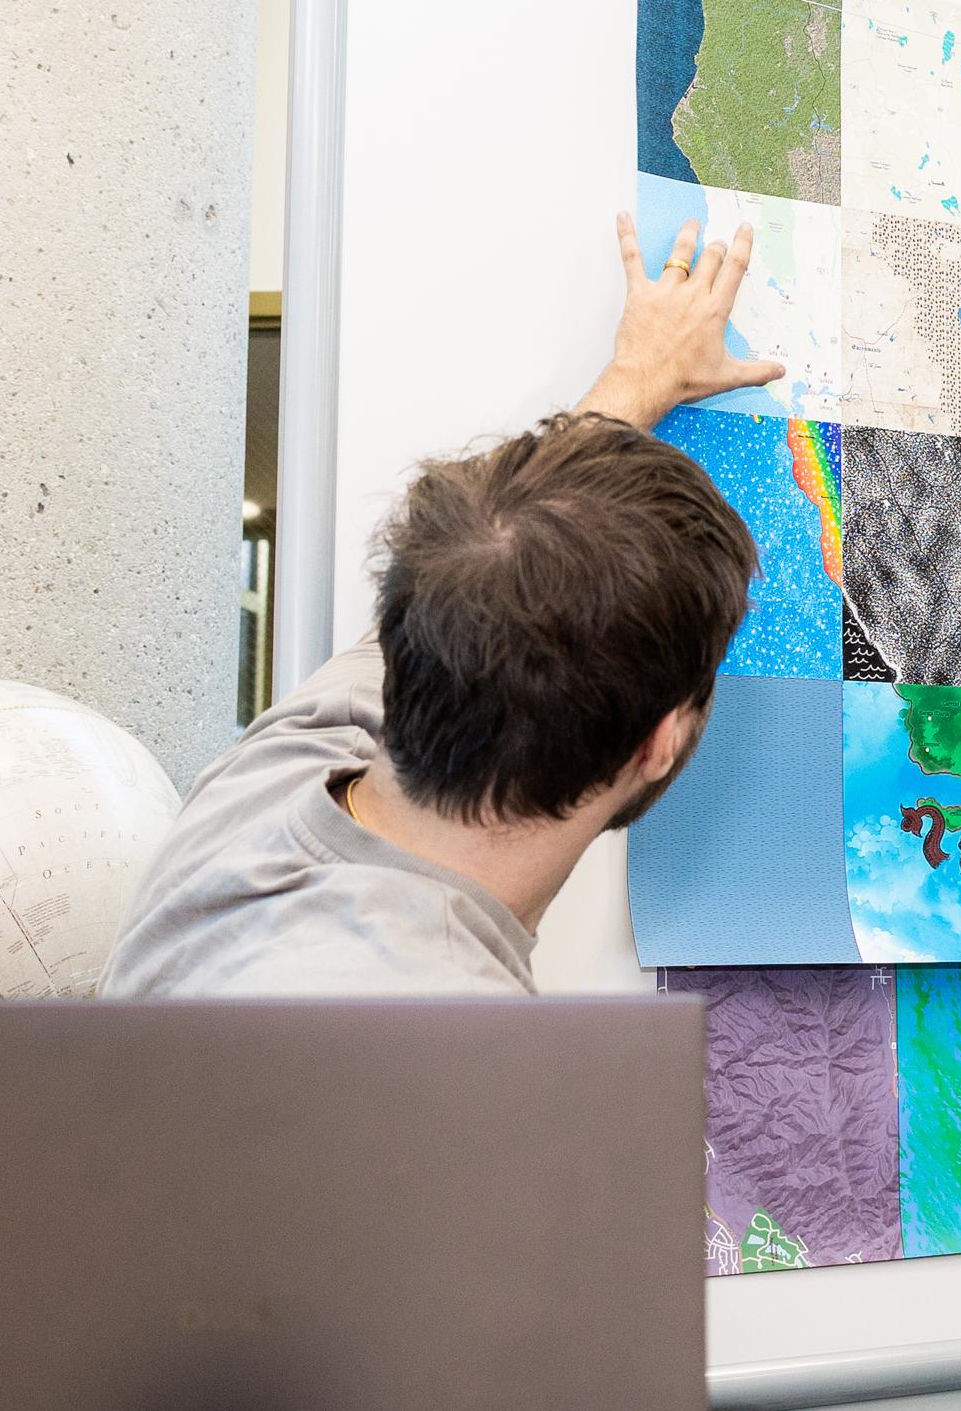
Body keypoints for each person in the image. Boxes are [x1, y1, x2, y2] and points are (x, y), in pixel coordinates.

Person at [101, 219, 781, 997]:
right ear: (658, 744)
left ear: (409, 640)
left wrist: (639, 374)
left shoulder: (273, 774)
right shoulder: (484, 1072)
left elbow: (507, 558)